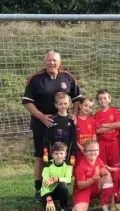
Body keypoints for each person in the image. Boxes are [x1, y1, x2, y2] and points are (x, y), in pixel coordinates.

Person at [22, 50, 81, 201]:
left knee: (64, 154)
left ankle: (63, 187)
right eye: (49, 60)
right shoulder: (36, 79)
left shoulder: (68, 77)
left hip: (64, 124)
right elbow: (27, 102)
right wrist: (41, 116)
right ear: (45, 62)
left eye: (54, 60)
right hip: (42, 124)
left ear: (60, 62)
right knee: (41, 156)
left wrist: (74, 114)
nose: (51, 63)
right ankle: (38, 188)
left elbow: (77, 98)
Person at [73, 140, 114, 211]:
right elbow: (80, 185)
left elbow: (104, 172)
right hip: (84, 190)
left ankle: (104, 203)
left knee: (108, 177)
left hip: (95, 187)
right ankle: (79, 204)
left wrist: (105, 172)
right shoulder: (80, 166)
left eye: (95, 150)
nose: (93, 152)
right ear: (84, 152)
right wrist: (92, 180)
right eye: (90, 150)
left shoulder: (99, 160)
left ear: (98, 151)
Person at [42, 92, 77, 165]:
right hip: (54, 154)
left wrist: (73, 154)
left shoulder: (71, 120)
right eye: (60, 104)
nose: (63, 106)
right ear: (56, 105)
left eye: (65, 103)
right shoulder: (51, 120)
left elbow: (74, 139)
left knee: (66, 173)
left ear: (69, 103)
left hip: (67, 154)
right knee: (53, 172)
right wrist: (45, 152)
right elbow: (46, 138)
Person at [41, 142, 73, 211]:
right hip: (48, 192)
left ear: (65, 154)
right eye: (56, 154)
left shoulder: (68, 165)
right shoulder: (47, 165)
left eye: (61, 153)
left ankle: (63, 206)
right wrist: (48, 198)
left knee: (63, 184)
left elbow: (68, 180)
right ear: (52, 155)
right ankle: (52, 203)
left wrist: (57, 179)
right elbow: (44, 183)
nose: (59, 156)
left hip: (59, 190)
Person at [94, 89, 120, 167]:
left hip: (113, 142)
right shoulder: (97, 114)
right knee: (103, 165)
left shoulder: (114, 111)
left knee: (115, 164)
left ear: (109, 99)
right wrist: (113, 126)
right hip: (102, 142)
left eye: (105, 98)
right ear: (98, 101)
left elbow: (119, 124)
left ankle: (115, 179)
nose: (103, 100)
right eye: (100, 99)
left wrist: (103, 125)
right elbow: (98, 131)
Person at [76, 97, 96, 166]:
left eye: (90, 107)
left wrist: (92, 148)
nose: (87, 108)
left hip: (90, 152)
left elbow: (94, 135)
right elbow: (73, 137)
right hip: (79, 151)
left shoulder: (92, 120)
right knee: (79, 169)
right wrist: (81, 148)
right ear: (80, 105)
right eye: (85, 105)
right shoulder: (75, 120)